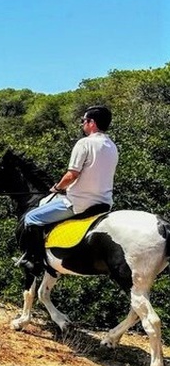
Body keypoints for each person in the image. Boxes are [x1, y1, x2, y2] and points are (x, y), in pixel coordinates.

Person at [17, 105, 118, 274]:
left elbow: (72, 175)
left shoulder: (84, 143)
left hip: (79, 203)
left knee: (31, 217)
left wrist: (56, 188)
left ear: (92, 123)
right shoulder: (112, 146)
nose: (82, 125)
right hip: (104, 202)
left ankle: (33, 260)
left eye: (83, 121)